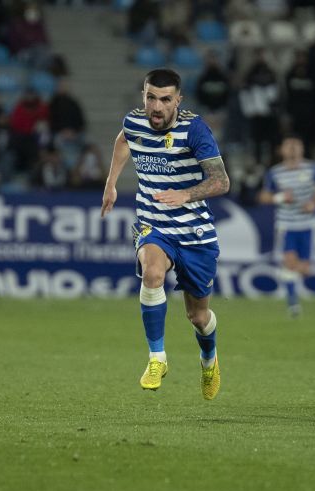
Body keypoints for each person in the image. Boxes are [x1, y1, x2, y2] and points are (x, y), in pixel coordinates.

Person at [100, 69, 230, 400]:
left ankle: (209, 359)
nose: (156, 107)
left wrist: (185, 195)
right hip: (154, 223)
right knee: (152, 272)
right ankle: (157, 358)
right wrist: (111, 183)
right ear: (144, 95)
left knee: (198, 317)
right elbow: (123, 139)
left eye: (165, 99)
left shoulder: (194, 129)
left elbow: (221, 181)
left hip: (194, 231)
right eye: (151, 98)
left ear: (178, 100)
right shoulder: (134, 121)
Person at [258, 136, 315, 317]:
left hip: (307, 224)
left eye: (297, 145)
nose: (293, 149)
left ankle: (288, 276)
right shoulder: (275, 173)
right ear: (282, 150)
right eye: (289, 146)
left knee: (304, 270)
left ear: (302, 149)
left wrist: (314, 202)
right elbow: (263, 197)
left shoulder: (313, 168)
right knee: (290, 263)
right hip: (286, 225)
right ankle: (293, 305)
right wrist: (280, 198)